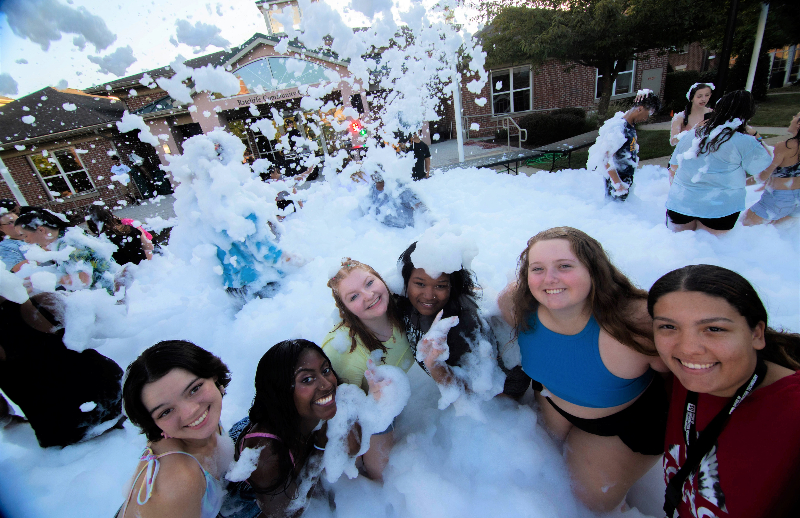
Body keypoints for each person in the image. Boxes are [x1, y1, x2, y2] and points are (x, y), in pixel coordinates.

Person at [497, 227, 669, 512]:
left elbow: (682, 380)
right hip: (552, 401)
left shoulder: (637, 323)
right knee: (539, 465)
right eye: (537, 268)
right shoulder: (517, 306)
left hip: (621, 421)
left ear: (594, 270)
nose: (549, 279)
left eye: (564, 266)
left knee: (592, 503)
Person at [647, 265, 800, 518]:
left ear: (757, 334)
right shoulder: (678, 377)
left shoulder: (792, 416)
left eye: (714, 329)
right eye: (668, 327)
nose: (689, 349)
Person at [229, 340, 360, 518]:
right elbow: (287, 512)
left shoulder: (316, 404)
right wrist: (320, 447)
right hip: (245, 501)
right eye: (307, 379)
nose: (327, 384)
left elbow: (353, 447)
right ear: (282, 391)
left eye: (326, 370)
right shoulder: (264, 453)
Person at [322, 258, 415, 479]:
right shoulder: (344, 351)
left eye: (369, 283)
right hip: (367, 417)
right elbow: (338, 416)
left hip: (396, 398)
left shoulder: (402, 310)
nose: (368, 295)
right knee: (382, 476)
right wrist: (373, 408)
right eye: (353, 296)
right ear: (345, 309)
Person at [118, 340, 233, 518]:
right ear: (153, 423)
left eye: (194, 389)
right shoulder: (179, 482)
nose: (190, 412)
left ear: (213, 375)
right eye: (166, 411)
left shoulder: (198, 428)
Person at [396, 241, 524, 399]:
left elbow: (476, 389)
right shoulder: (404, 300)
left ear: (452, 286)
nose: (428, 295)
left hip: (501, 387)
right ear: (405, 280)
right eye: (420, 284)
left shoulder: (462, 326)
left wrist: (435, 366)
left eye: (440, 286)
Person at [0, 293, 124, 447]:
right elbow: (111, 323)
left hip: (62, 428)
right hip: (115, 394)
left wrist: (12, 423)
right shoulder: (38, 301)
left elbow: (2, 415)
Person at [666, 90, 773, 235]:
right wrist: (756, 136)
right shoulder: (745, 141)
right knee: (711, 252)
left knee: (678, 248)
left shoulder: (693, 134)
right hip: (720, 207)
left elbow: (673, 166)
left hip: (682, 202)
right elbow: (765, 166)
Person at [14, 208, 117, 292]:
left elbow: (84, 279)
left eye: (25, 235)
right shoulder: (65, 236)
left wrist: (46, 281)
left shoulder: (69, 244)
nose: (26, 240)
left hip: (110, 295)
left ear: (41, 230)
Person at [586, 90, 662, 200]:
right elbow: (605, 158)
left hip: (625, 180)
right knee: (615, 213)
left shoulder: (629, 124)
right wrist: (618, 185)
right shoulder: (619, 128)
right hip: (617, 184)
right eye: (649, 113)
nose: (647, 118)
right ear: (640, 109)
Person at [742, 110, 800, 226]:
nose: (793, 117)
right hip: (797, 202)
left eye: (796, 116)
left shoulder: (785, 146)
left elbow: (762, 176)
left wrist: (739, 184)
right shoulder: (787, 148)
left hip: (778, 200)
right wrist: (756, 136)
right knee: (777, 233)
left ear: (799, 124)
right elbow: (774, 155)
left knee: (744, 229)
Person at [85, 205, 154, 265]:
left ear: (92, 225)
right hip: (142, 269)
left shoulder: (100, 241)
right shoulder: (131, 229)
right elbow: (149, 247)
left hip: (125, 276)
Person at [0, 199, 26, 271]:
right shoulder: (5, 247)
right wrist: (42, 255)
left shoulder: (36, 235)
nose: (17, 224)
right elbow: (15, 269)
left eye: (17, 220)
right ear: (1, 228)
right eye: (10, 222)